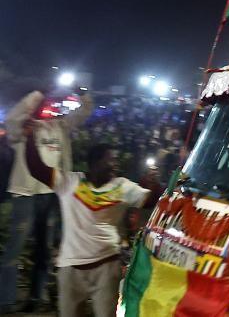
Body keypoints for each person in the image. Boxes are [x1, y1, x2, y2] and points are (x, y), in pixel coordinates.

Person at [24, 124, 159, 317]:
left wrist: (155, 184)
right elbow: (36, 169)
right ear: (94, 163)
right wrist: (29, 137)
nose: (115, 165)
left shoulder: (122, 186)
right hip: (70, 269)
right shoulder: (70, 182)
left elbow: (150, 201)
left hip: (107, 267)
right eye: (110, 160)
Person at [0, 90, 93, 313]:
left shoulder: (61, 127)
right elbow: (11, 118)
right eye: (46, 104)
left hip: (50, 195)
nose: (51, 109)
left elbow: (83, 113)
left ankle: (37, 296)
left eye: (53, 105)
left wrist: (82, 94)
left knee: (44, 249)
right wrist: (39, 93)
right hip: (25, 194)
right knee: (15, 249)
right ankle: (6, 300)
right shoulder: (24, 128)